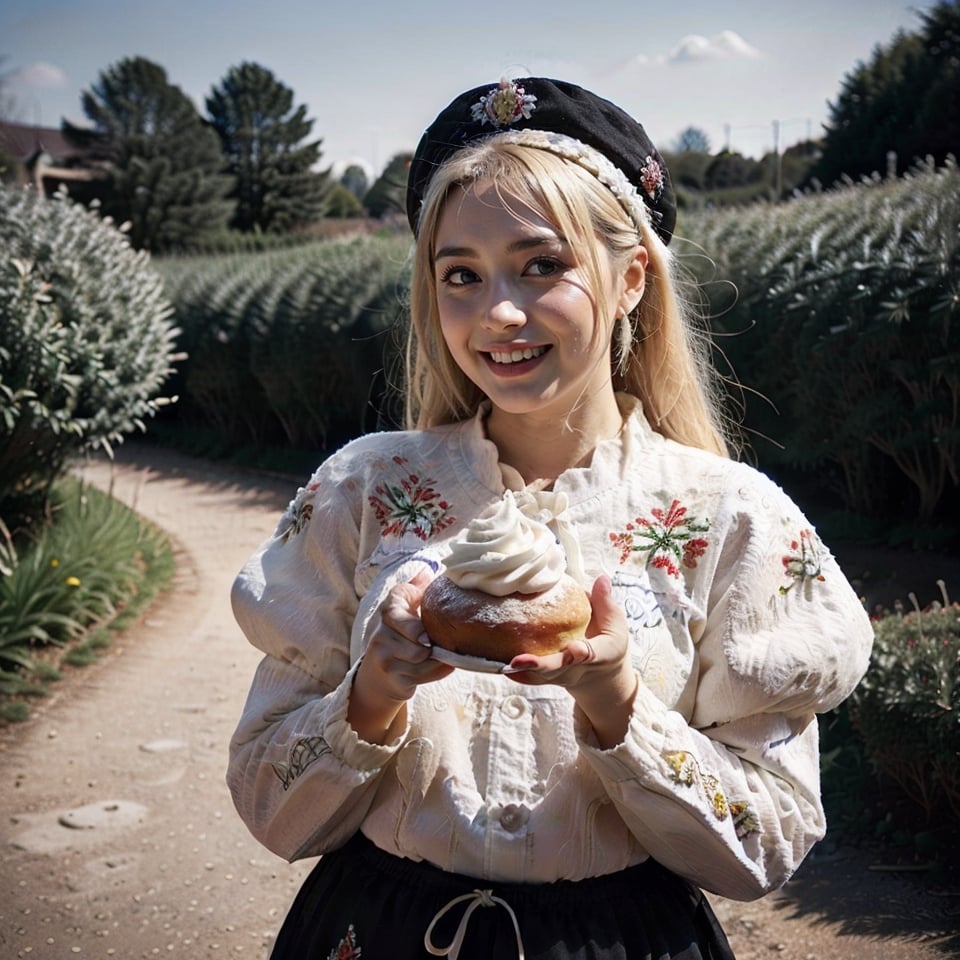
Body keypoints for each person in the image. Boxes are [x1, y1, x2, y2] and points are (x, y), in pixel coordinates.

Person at [228, 76, 874, 960]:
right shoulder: (364, 490)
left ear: (630, 279)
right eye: (461, 274)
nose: (498, 312)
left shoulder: (732, 520)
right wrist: (369, 696)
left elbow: (768, 842)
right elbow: (270, 808)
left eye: (542, 265)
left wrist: (618, 708)